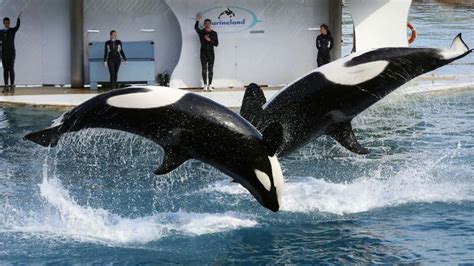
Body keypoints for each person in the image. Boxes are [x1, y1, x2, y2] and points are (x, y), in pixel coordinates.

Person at [195, 14, 218, 91]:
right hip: (203, 53)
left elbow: (216, 44)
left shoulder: (214, 33)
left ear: (210, 24)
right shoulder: (202, 32)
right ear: (204, 25)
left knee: (210, 69)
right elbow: (196, 28)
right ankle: (205, 85)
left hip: (211, 53)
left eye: (209, 23)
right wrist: (197, 20)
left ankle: (210, 85)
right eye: (206, 24)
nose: (207, 25)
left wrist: (209, 40)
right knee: (204, 69)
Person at [1, 11, 21, 93]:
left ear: (9, 23)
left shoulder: (12, 30)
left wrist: (18, 18)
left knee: (11, 69)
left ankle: (12, 86)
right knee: (5, 69)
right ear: (3, 23)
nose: (7, 24)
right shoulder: (0, 32)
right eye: (5, 23)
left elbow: (17, 26)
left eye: (8, 23)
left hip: (11, 52)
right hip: (4, 53)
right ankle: (6, 86)